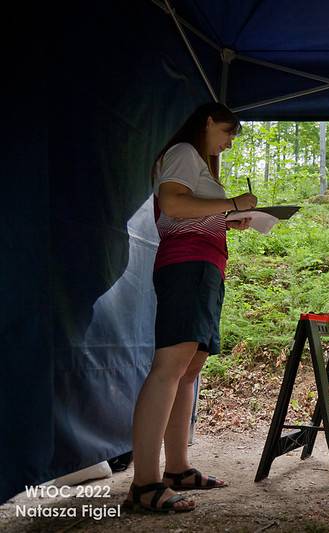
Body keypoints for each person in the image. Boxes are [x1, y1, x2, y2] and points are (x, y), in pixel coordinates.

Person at [123, 103, 257, 513]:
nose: (229, 142)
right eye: (228, 131)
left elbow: (190, 211)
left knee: (188, 368)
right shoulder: (184, 151)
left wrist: (226, 218)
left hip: (204, 266)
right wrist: (232, 203)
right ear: (207, 122)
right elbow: (174, 205)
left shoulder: (196, 161)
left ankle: (177, 469)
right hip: (188, 265)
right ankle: (144, 483)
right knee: (170, 365)